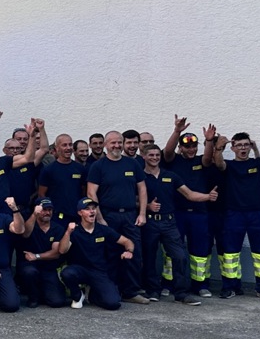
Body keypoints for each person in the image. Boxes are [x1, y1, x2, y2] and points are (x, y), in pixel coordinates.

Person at [140, 143, 215, 306]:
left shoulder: (171, 176)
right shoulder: (139, 177)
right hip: (150, 223)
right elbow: (131, 199)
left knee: (180, 256)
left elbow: (189, 194)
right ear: (144, 157)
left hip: (169, 223)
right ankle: (153, 290)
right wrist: (147, 207)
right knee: (149, 258)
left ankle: (181, 293)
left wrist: (208, 197)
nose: (154, 158)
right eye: (151, 155)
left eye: (157, 155)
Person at [213, 127, 260, 300]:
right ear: (233, 148)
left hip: (257, 214)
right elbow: (219, 163)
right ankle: (231, 287)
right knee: (230, 253)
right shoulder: (229, 165)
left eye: (246, 145)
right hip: (234, 214)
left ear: (250, 147)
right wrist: (218, 148)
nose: (243, 148)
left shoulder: (257, 164)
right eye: (239, 145)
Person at [86, 131, 149, 304]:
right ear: (106, 145)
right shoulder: (98, 166)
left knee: (133, 253)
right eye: (112, 143)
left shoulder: (132, 164)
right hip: (108, 215)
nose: (116, 146)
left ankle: (130, 292)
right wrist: (99, 218)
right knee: (110, 253)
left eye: (119, 142)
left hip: (130, 216)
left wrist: (142, 213)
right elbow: (91, 193)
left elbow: (142, 189)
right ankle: (110, 289)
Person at [162, 119, 221, 296]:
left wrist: (209, 141)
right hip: (177, 213)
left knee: (200, 251)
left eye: (194, 146)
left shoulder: (200, 161)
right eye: (187, 147)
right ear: (181, 147)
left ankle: (200, 286)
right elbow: (167, 152)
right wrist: (177, 131)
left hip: (199, 214)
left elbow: (207, 158)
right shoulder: (173, 160)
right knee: (172, 250)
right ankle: (169, 284)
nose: (191, 149)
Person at [58, 197, 136, 311]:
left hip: (99, 272)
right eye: (87, 209)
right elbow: (62, 250)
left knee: (113, 304)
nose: (92, 211)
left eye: (94, 208)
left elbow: (127, 241)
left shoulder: (103, 230)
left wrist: (129, 251)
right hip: (79, 269)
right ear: (80, 213)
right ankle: (78, 295)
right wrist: (68, 232)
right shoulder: (75, 231)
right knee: (67, 273)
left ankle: (92, 295)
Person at [17, 198, 68, 308]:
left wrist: (37, 256)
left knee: (57, 302)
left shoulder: (57, 228)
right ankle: (33, 297)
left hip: (48, 267)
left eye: (50, 210)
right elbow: (25, 234)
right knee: (29, 272)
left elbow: (56, 253)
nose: (47, 213)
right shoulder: (30, 224)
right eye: (44, 210)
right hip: (29, 265)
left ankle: (44, 292)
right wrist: (34, 215)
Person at [37, 133, 86, 221]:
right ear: (57, 148)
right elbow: (41, 194)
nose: (68, 148)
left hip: (77, 216)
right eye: (64, 145)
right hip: (57, 217)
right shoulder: (49, 170)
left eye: (70, 144)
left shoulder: (80, 168)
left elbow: (84, 191)